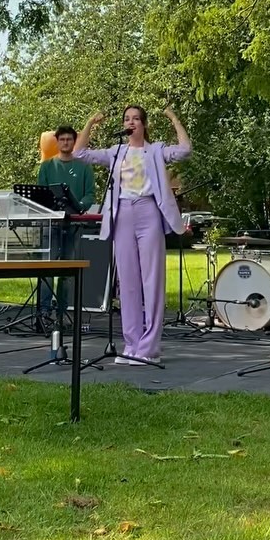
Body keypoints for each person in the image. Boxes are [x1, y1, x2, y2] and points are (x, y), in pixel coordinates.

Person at [74, 105, 191, 365]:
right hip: (123, 213)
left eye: (136, 119)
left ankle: (149, 347)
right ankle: (132, 344)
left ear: (144, 124)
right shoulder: (117, 152)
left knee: (152, 280)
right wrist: (90, 124)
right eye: (127, 119)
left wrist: (173, 118)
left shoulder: (156, 150)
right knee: (127, 282)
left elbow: (184, 150)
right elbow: (79, 153)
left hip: (148, 210)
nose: (131, 123)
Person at [37, 125, 95, 317]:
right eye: (62, 139)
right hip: (50, 224)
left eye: (69, 139)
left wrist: (80, 206)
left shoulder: (84, 167)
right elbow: (40, 194)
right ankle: (44, 312)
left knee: (67, 270)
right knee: (46, 268)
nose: (66, 143)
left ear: (74, 141)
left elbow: (90, 195)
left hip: (73, 224)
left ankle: (63, 313)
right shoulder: (46, 166)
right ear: (57, 141)